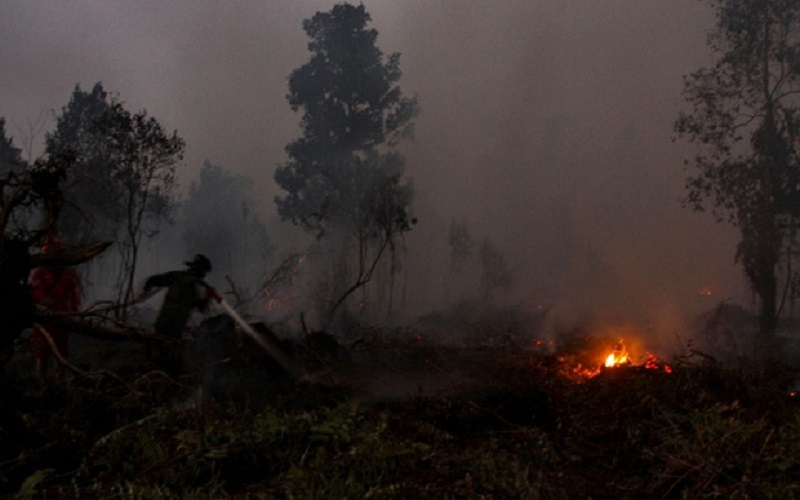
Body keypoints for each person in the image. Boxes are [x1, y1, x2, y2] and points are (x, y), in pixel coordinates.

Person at [144, 254, 221, 375]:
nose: (205, 275)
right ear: (201, 270)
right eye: (205, 272)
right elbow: (201, 308)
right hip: (174, 328)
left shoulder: (176, 277)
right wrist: (208, 297)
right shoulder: (194, 285)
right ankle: (165, 381)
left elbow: (152, 280)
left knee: (160, 353)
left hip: (162, 323)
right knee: (171, 361)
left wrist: (144, 291)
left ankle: (156, 374)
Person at [29, 236, 81, 386]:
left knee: (61, 353)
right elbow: (34, 293)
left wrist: (75, 313)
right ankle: (42, 385)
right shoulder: (39, 273)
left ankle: (60, 383)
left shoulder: (67, 273)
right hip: (43, 320)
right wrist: (43, 301)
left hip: (61, 319)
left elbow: (73, 295)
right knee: (41, 354)